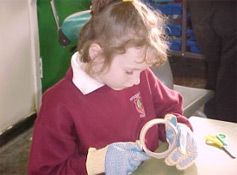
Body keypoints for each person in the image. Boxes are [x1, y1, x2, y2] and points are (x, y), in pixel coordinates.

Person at [28, 0, 197, 174]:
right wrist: (95, 163)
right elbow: (44, 171)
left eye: (142, 70)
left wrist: (178, 129)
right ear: (97, 54)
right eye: (129, 71)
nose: (138, 81)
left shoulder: (138, 75)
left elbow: (168, 108)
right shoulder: (58, 104)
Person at [188, 0, 237, 122]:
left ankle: (214, 123)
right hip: (229, 10)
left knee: (216, 69)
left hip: (202, 8)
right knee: (229, 75)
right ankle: (227, 128)